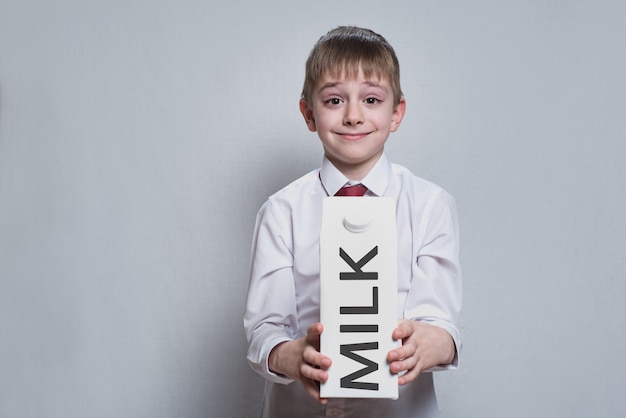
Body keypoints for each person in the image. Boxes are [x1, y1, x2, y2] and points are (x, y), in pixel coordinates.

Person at [244, 26, 462, 418]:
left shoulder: (430, 206)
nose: (353, 115)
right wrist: (291, 355)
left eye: (372, 99)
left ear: (396, 113)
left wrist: (430, 343)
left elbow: (442, 327)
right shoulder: (281, 211)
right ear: (309, 114)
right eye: (333, 100)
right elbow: (264, 330)